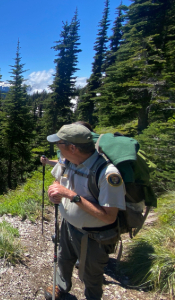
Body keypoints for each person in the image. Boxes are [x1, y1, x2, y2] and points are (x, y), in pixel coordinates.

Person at [41, 124, 126, 300]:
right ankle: (62, 286)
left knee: (91, 275)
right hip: (68, 226)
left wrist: (72, 196)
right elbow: (58, 183)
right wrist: (55, 193)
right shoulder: (68, 162)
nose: (57, 149)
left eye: (60, 144)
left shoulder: (107, 174)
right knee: (64, 259)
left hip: (94, 236)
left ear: (73, 147)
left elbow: (109, 217)